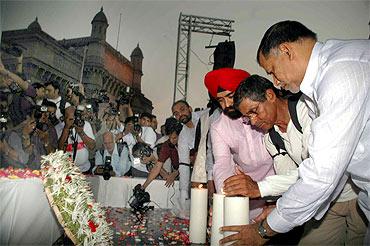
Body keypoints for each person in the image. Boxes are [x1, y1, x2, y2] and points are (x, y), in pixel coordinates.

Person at [221, 20, 370, 245]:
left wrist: (264, 230)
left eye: (272, 71)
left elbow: (321, 174)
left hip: (353, 194)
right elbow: (311, 176)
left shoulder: (339, 76)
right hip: (340, 198)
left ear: (286, 51)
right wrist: (278, 207)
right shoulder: (323, 79)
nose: (277, 82)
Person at [232, 74, 367, 245]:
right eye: (247, 117)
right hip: (324, 204)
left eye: (254, 111)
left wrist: (260, 188)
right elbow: (293, 178)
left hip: (357, 193)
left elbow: (317, 170)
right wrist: (279, 206)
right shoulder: (271, 138)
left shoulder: (307, 110)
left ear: (270, 95)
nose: (253, 121)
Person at [204, 68, 274, 221]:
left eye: (230, 96)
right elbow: (222, 163)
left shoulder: (264, 113)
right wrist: (224, 197)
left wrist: (274, 200)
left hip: (277, 190)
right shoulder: (218, 126)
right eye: (220, 101)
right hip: (243, 195)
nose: (226, 105)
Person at [172, 100, 209, 218]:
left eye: (182, 109)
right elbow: (184, 165)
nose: (180, 114)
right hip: (202, 170)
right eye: (176, 113)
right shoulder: (182, 136)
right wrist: (183, 194)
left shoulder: (206, 116)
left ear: (190, 108)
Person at [139, 117, 183, 189]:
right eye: (169, 137)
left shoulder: (186, 141)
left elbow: (190, 162)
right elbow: (157, 167)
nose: (172, 141)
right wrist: (143, 187)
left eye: (174, 138)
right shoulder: (166, 145)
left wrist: (175, 173)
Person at [57, 106, 96, 173]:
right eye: (69, 118)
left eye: (74, 117)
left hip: (84, 169)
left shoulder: (85, 125)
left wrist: (81, 132)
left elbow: (92, 146)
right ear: (64, 117)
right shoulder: (59, 127)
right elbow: (60, 149)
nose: (73, 120)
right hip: (66, 170)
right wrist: (66, 128)